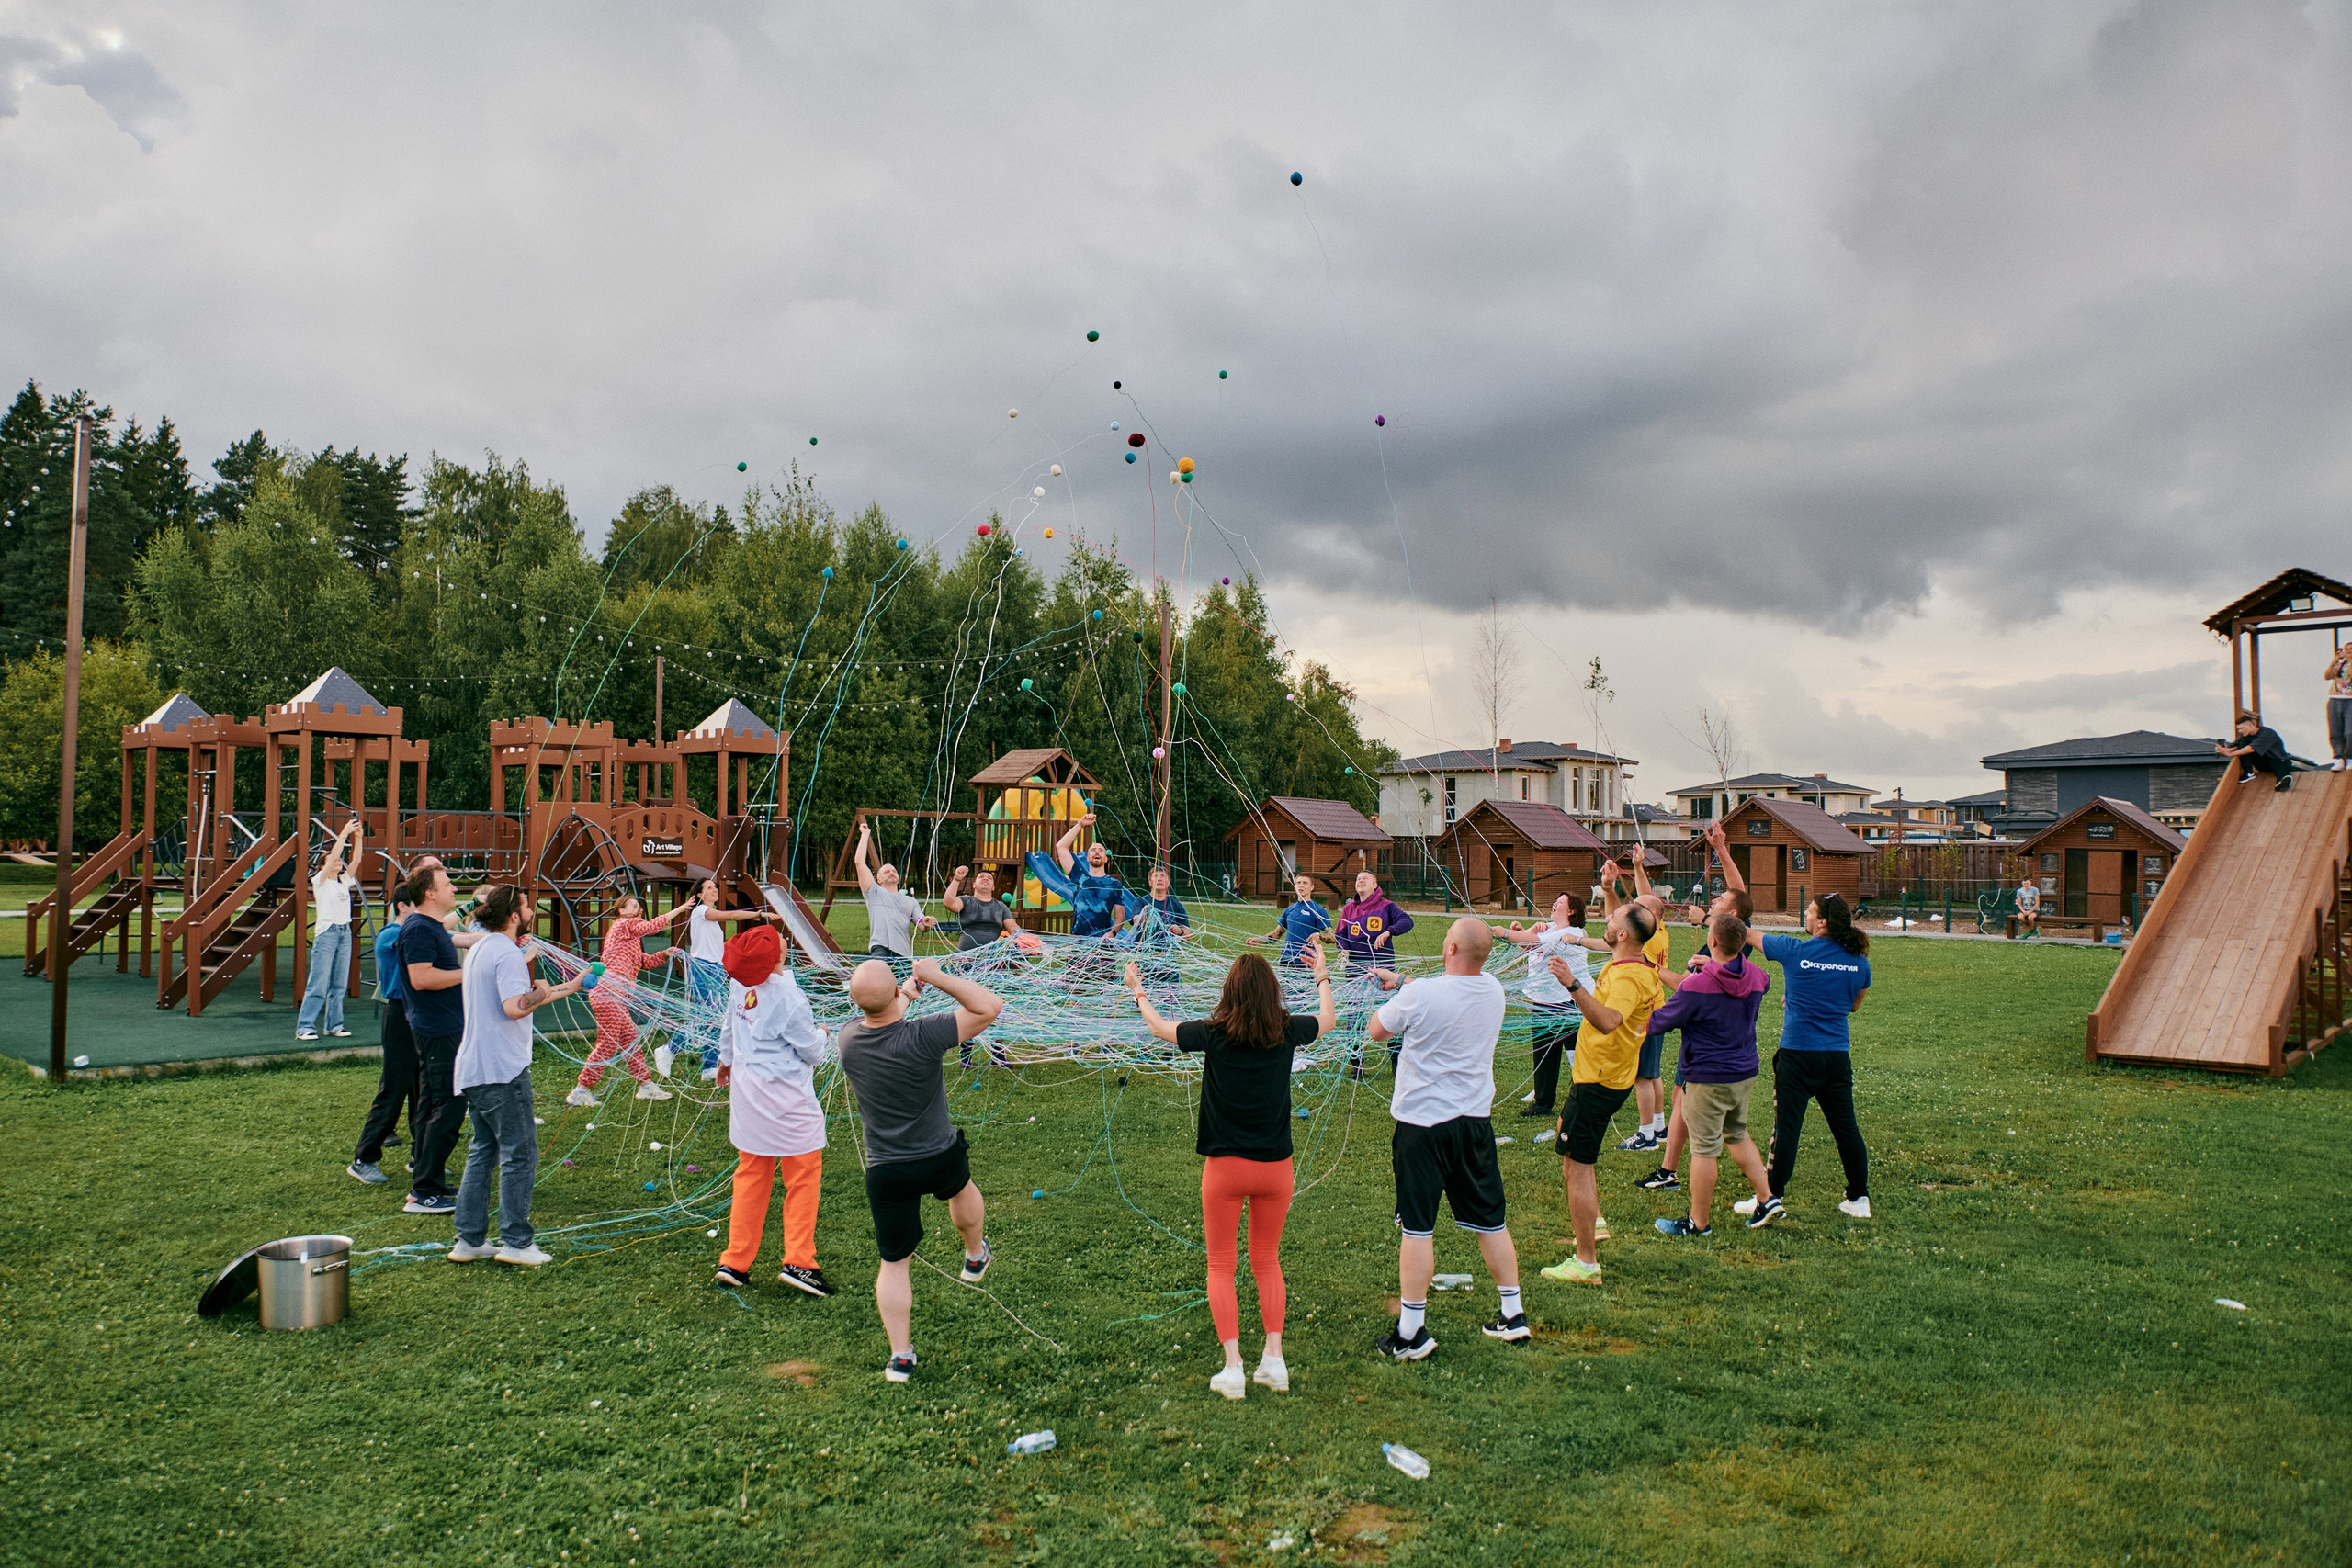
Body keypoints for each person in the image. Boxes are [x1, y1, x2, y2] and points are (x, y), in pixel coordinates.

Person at [1126, 947, 1336, 1399]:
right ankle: (1274, 1360)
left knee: (1221, 1265)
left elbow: (1159, 1028)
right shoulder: (1287, 1030)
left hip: (1224, 1170)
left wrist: (1138, 991)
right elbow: (1328, 1020)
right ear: (1272, 992)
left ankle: (1234, 1367)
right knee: (1266, 1261)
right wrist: (1321, 976)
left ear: (1230, 991)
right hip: (1275, 1170)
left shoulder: (1214, 1033)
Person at [1363, 917, 1528, 1359]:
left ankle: (1411, 1331)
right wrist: (1400, 980)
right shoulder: (1492, 989)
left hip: (1422, 1128)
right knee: (1491, 1220)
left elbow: (1377, 1030)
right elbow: (1446, 991)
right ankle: (1513, 1315)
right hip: (1474, 1124)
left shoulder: (1422, 995)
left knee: (1418, 1228)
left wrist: (1401, 990)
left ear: (1451, 948)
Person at [836, 956, 1006, 1382]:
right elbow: (989, 1007)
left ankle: (900, 1357)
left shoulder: (848, 1039)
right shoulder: (925, 1035)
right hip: (937, 1156)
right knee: (961, 1186)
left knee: (894, 1263)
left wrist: (906, 995)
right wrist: (935, 977)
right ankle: (973, 1254)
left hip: (887, 1170)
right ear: (895, 993)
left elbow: (882, 1017)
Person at [448, 884, 583, 1267]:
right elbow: (515, 1006)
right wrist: (538, 991)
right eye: (526, 907)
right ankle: (517, 1243)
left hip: (476, 1068)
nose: (530, 913)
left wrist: (569, 987)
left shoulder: (482, 948)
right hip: (502, 1071)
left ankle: (469, 1240)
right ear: (513, 916)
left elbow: (519, 997)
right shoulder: (507, 953)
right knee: (520, 1154)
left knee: (484, 1150)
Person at [1537, 897, 1664, 1286]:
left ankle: (1586, 1260)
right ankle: (1593, 1223)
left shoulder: (1628, 977)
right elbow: (1652, 1007)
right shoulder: (1632, 963)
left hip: (1599, 1080)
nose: (1605, 921)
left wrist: (1572, 984)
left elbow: (1609, 1021)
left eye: (1611, 919)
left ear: (1623, 934)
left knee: (1576, 1165)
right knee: (1569, 1142)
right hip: (1601, 1076)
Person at [1734, 894, 1874, 1223]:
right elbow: (1853, 1004)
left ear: (1822, 922)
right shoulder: (1859, 962)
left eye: (1810, 912)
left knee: (1787, 1129)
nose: (1806, 916)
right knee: (1846, 1129)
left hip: (1797, 1056)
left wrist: (1711, 916)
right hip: (1835, 1057)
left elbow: (1744, 933)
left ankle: (1770, 1197)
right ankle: (1858, 1197)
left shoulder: (1795, 951)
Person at [712, 924, 835, 1297]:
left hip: (748, 1091)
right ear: (777, 955)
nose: (783, 938)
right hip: (785, 1096)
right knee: (803, 1173)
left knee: (752, 1171)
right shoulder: (788, 997)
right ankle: (799, 1261)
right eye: (777, 938)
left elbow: (731, 1026)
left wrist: (724, 1060)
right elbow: (811, 1051)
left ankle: (735, 1261)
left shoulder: (742, 982)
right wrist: (825, 1035)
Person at [1644, 913, 1779, 1235]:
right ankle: (1767, 1198)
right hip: (1743, 1073)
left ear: (1713, 942)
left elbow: (1661, 1021)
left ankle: (1698, 1222)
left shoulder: (1697, 985)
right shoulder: (1757, 975)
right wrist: (1715, 968)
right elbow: (1761, 981)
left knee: (1704, 1148)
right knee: (1737, 1134)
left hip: (1708, 1077)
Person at [397, 863, 470, 1216]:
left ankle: (430, 1180)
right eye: (447, 884)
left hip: (442, 1026)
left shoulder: (431, 926)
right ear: (430, 892)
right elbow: (422, 978)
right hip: (438, 1030)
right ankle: (423, 1192)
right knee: (449, 1106)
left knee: (432, 1105)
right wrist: (467, 972)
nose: (454, 889)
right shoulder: (418, 930)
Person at [566, 895, 685, 1107]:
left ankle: (646, 1086)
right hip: (608, 994)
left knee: (630, 1041)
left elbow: (644, 962)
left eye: (639, 907)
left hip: (618, 997)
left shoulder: (631, 936)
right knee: (607, 1045)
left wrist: (665, 953)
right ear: (621, 910)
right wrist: (680, 909)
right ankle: (580, 1090)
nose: (638, 909)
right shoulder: (624, 925)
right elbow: (653, 926)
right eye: (633, 906)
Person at [1592, 854, 1672, 1153]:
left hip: (1644, 1012)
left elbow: (1617, 925)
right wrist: (1638, 867)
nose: (1634, 909)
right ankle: (1660, 1126)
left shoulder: (1644, 939)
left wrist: (1610, 891)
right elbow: (1646, 898)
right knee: (1652, 1073)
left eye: (1638, 909)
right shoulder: (1658, 929)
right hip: (1656, 1006)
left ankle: (1646, 1134)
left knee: (1641, 1075)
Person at [347, 880, 421, 1186]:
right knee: (394, 1087)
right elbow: (436, 931)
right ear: (403, 906)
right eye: (418, 905)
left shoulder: (414, 930)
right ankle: (364, 1159)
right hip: (399, 1016)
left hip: (418, 1016)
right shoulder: (392, 934)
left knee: (422, 1089)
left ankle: (422, 1157)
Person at [1490, 893, 1588, 1118]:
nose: (1554, 904)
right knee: (1544, 1053)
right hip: (1542, 1003)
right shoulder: (1549, 929)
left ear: (1572, 911)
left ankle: (1587, 1096)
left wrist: (1506, 933)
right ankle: (1543, 1102)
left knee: (1578, 1053)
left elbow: (1534, 943)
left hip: (1567, 1003)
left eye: (1560, 902)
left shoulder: (1572, 933)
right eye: (1555, 901)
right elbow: (1528, 948)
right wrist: (1525, 931)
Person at [685, 877, 772, 1081]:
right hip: (703, 968)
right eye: (709, 887)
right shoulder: (701, 912)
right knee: (705, 1017)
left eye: (715, 886)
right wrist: (759, 914)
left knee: (713, 1018)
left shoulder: (706, 916)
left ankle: (708, 1066)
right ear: (699, 895)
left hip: (713, 968)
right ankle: (669, 1049)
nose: (715, 890)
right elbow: (731, 915)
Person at [295, 818, 365, 1041]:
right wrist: (343, 834)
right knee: (319, 982)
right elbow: (335, 855)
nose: (338, 862)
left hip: (345, 933)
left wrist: (359, 838)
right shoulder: (320, 881)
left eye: (337, 861)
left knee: (339, 983)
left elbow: (356, 860)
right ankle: (305, 1026)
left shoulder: (343, 881)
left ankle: (334, 1025)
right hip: (327, 934)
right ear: (323, 865)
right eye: (332, 860)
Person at [855, 821, 933, 967]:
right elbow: (859, 863)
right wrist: (865, 835)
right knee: (879, 980)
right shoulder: (874, 892)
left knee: (902, 989)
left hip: (904, 954)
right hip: (880, 948)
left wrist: (927, 922)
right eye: (886, 871)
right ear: (878, 879)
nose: (891, 872)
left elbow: (921, 925)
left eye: (894, 871)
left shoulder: (910, 901)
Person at [1045, 812, 1130, 938]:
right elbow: (1061, 846)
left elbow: (1120, 917)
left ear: (1106, 859)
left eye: (1101, 850)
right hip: (1078, 942)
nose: (1097, 852)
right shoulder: (1079, 877)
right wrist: (1080, 824)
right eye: (1093, 850)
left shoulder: (1114, 884)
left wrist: (1112, 933)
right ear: (1088, 858)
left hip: (1103, 943)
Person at [1336, 870, 1414, 991]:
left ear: (1375, 885)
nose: (1360, 881)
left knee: (1380, 1005)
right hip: (1355, 969)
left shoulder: (1386, 905)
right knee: (1355, 1005)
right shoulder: (1348, 909)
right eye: (1358, 879)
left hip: (1382, 969)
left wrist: (1388, 931)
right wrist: (1343, 949)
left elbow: (1407, 921)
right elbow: (1340, 935)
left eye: (1365, 878)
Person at [1248, 874, 1332, 966]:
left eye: (1305, 883)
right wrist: (1258, 940)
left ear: (1312, 887)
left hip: (1306, 961)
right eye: (1298, 883)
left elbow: (1332, 937)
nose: (1301, 886)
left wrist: (1319, 935)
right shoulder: (1289, 910)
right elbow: (1277, 934)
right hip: (1286, 959)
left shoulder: (1318, 910)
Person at [2216, 711, 2294, 793]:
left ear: (2250, 725)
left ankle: (2284, 780)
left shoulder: (2267, 733)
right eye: (2238, 729)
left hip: (2278, 760)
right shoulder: (2245, 736)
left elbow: (2251, 749)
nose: (2240, 731)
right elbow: (2233, 747)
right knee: (2243, 742)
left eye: (2242, 728)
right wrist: (2222, 750)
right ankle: (2248, 773)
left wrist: (2231, 753)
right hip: (2262, 764)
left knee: (2279, 766)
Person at [2329, 647, 2352, 770]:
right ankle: (2338, 758)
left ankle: (2350, 758)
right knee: (2335, 730)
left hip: (2350, 700)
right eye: (2346, 649)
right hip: (2335, 698)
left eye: (2351, 649)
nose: (2348, 651)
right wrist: (2333, 662)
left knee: (2349, 732)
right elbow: (2327, 676)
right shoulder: (2340, 664)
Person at [2014, 874, 2042, 939]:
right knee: (2020, 917)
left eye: (2027, 883)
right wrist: (2024, 911)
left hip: (2034, 909)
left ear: (2030, 883)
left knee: (2030, 917)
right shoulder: (2019, 891)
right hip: (2024, 909)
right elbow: (2020, 903)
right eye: (2024, 883)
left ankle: (2029, 932)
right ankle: (2033, 929)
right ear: (2022, 883)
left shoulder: (2035, 890)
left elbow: (2037, 903)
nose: (2026, 885)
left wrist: (2030, 912)